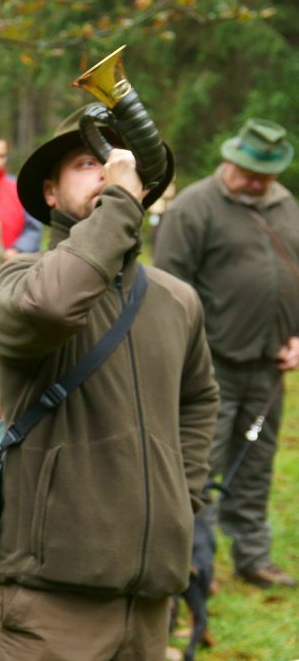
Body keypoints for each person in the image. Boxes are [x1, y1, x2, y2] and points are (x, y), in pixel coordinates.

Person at [0, 106, 219, 658]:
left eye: (119, 164)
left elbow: (200, 400)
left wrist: (178, 500)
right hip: (50, 602)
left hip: (149, 601)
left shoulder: (176, 299)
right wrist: (118, 202)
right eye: (89, 162)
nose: (110, 172)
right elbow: (54, 306)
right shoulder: (17, 283)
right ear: (49, 191)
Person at [153, 118, 299, 588]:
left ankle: (253, 556)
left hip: (270, 364)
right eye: (249, 171)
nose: (257, 181)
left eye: (266, 174)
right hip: (210, 365)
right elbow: (169, 290)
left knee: (257, 463)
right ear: (230, 160)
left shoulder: (286, 207)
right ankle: (196, 562)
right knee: (200, 463)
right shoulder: (194, 208)